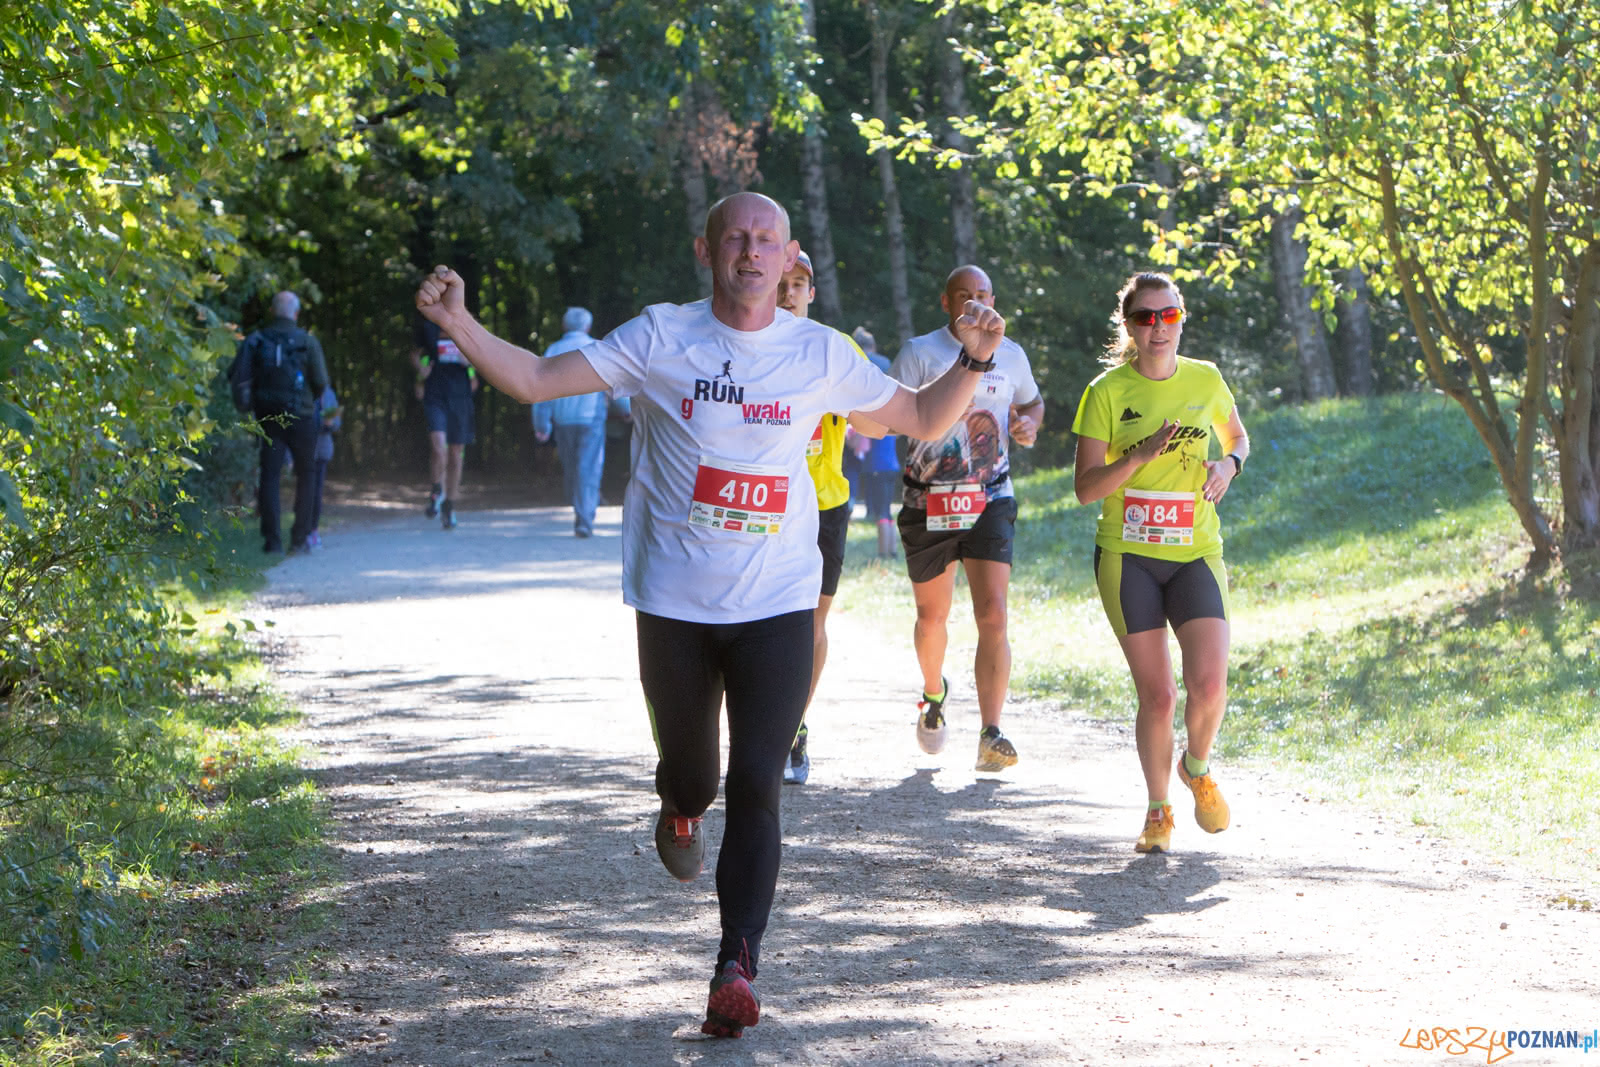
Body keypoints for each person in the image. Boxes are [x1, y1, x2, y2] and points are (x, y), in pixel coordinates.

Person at [413, 191, 1005, 1038]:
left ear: (789, 254)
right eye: (737, 237)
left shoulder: (819, 353)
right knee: (697, 774)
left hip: (777, 603)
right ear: (708, 249)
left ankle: (736, 964)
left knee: (760, 782)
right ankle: (679, 801)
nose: (752, 252)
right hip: (675, 605)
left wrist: (973, 363)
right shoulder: (662, 335)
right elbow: (537, 380)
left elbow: (916, 416)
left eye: (767, 240)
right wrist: (460, 322)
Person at [1071, 271, 1249, 854]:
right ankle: (1157, 811)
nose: (1158, 328)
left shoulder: (1206, 379)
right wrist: (1141, 456)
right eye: (1146, 318)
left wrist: (1229, 466)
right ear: (1128, 325)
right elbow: (1085, 488)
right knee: (1161, 696)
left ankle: (1195, 766)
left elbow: (1237, 438)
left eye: (1168, 315)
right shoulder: (1106, 393)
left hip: (1195, 551)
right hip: (1129, 557)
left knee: (1209, 684)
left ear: (1181, 318)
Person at [889, 265, 1044, 772]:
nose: (976, 304)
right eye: (965, 296)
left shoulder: (1012, 354)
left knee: (993, 613)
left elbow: (1033, 403)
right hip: (928, 499)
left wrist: (1027, 425)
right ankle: (934, 694)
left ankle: (991, 731)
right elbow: (890, 416)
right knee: (933, 617)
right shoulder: (919, 353)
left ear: (994, 298)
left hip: (991, 496)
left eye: (983, 295)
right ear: (947, 301)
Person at [774, 250, 857, 786]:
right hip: (766, 504)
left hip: (825, 503)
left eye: (799, 284)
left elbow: (881, 416)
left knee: (812, 624)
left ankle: (793, 725)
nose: (789, 294)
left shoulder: (837, 349)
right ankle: (762, 725)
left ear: (812, 293)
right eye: (782, 284)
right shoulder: (739, 345)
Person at [228, 290, 330, 555]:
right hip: (303, 416)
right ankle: (300, 538)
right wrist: (310, 401)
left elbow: (239, 375)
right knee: (306, 475)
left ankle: (272, 542)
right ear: (295, 314)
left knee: (270, 475)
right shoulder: (307, 341)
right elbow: (320, 381)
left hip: (268, 416)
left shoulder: (258, 339)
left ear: (273, 311)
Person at [532, 307, 631, 538]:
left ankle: (581, 512)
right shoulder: (596, 349)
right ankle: (584, 516)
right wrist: (626, 409)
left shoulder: (553, 350)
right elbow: (614, 382)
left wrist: (541, 424)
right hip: (591, 420)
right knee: (588, 468)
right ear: (587, 326)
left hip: (562, 420)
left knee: (571, 467)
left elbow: (540, 388)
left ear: (564, 326)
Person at [409, 311, 480, 528]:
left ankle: (449, 505)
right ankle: (436, 490)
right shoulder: (428, 328)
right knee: (438, 447)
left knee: (456, 453)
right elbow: (414, 354)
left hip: (460, 397)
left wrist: (467, 361)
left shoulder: (467, 328)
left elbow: (480, 361)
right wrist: (421, 370)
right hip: (435, 395)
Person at [851, 327, 901, 560]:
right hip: (891, 463)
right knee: (887, 511)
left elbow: (863, 435)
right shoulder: (886, 364)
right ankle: (890, 550)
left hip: (876, 465)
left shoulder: (861, 364)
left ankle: (884, 553)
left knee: (881, 512)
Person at [307, 383, 342, 550]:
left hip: (321, 450)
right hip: (304, 449)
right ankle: (302, 531)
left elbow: (336, 422)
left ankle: (313, 530)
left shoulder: (328, 394)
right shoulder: (302, 390)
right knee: (305, 491)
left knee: (316, 492)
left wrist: (330, 422)